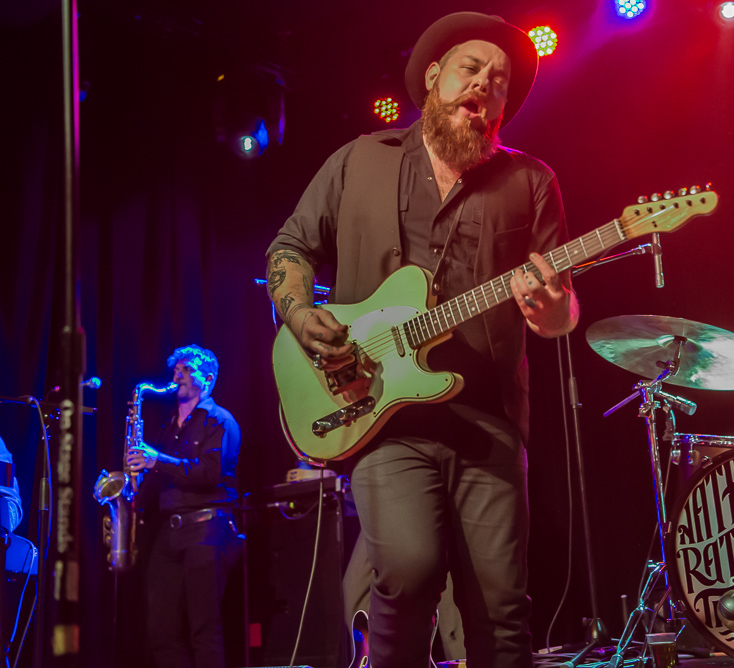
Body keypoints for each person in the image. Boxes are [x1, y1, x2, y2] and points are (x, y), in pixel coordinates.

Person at [266, 11, 579, 667]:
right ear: (435, 76)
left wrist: (551, 309)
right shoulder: (359, 160)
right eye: (472, 70)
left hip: (488, 421)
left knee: (501, 606)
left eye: (498, 83)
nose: (486, 87)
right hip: (382, 414)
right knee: (408, 571)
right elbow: (291, 248)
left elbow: (557, 313)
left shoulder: (531, 183)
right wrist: (299, 315)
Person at [126, 344, 242, 668]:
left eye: (186, 369)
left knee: (203, 629)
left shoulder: (221, 421)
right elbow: (158, 478)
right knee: (161, 632)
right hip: (170, 532)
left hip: (207, 528)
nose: (177, 375)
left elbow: (209, 472)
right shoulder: (167, 429)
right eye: (176, 370)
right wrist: (132, 482)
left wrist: (156, 459)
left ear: (208, 379)